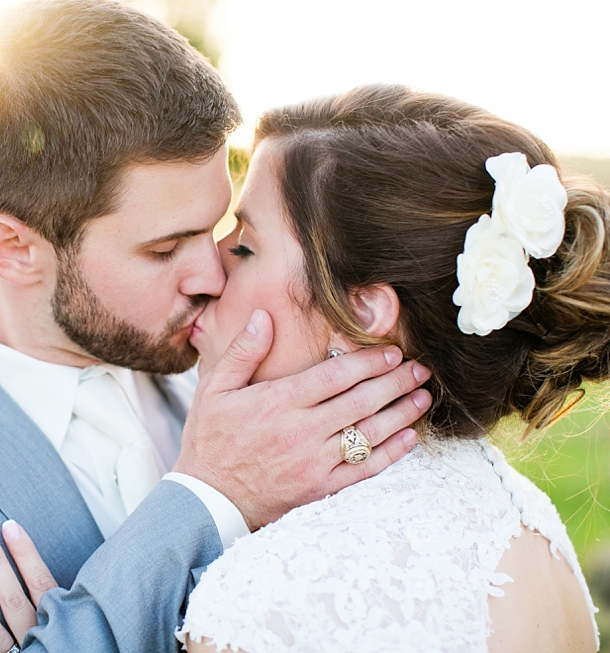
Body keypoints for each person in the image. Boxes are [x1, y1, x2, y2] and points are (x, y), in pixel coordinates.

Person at [0, 4, 431, 652]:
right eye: (164, 249)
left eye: (215, 228)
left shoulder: (275, 380)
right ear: (14, 248)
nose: (212, 275)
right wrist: (209, 496)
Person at [175, 85, 603, 652]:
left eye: (246, 246)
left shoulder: (270, 596)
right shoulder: (537, 531)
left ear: (361, 312)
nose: (209, 266)